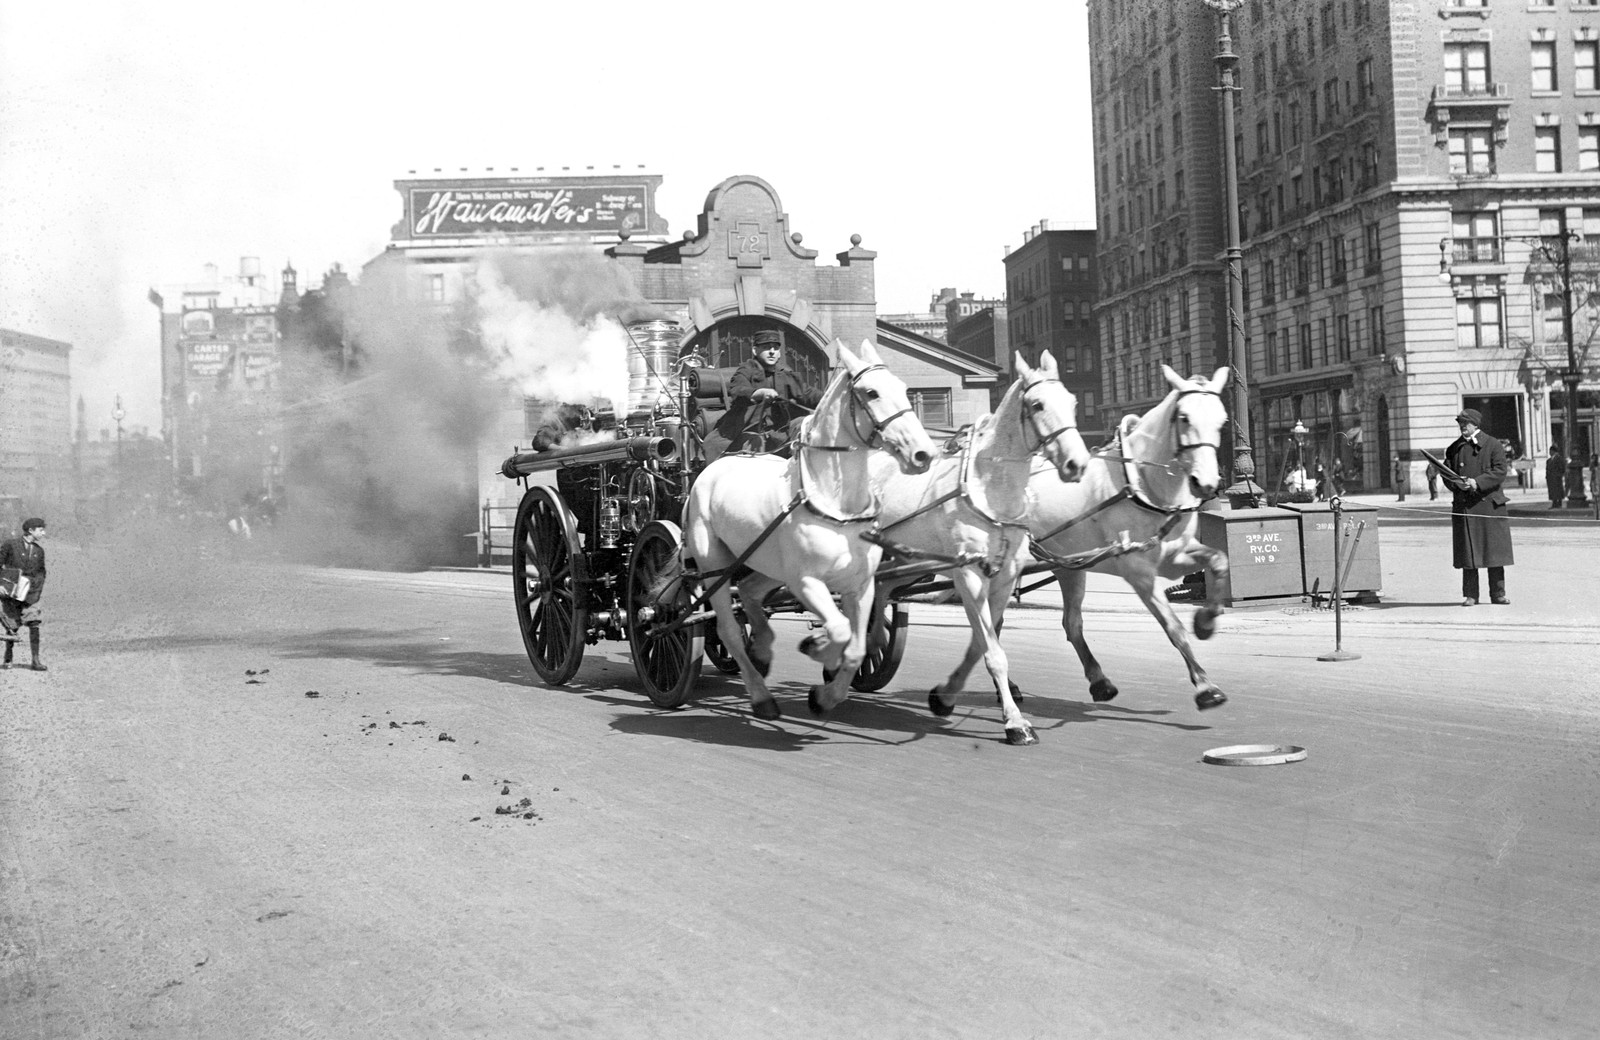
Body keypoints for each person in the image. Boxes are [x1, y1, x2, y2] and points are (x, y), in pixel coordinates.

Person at [1442, 409, 1513, 606]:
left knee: (1494, 553)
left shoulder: (1493, 444)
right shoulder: (1454, 448)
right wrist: (1456, 484)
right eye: (1460, 423)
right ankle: (1471, 595)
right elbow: (1447, 473)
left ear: (1475, 425)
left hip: (1490, 506)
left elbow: (1499, 471)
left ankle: (1498, 594)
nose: (1462, 427)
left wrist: (1476, 483)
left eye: (1466, 423)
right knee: (1469, 553)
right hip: (1465, 506)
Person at [715, 331, 822, 455]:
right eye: (766, 348)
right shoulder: (746, 370)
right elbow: (738, 390)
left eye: (775, 348)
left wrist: (830, 398)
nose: (772, 351)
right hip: (749, 433)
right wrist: (758, 393)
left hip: (779, 433)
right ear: (755, 351)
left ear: (779, 353)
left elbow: (807, 393)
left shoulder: (785, 373)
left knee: (804, 424)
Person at [0, 517, 48, 670]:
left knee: (34, 622)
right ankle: (8, 657)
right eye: (41, 530)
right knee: (12, 626)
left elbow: (41, 573)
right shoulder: (10, 545)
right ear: (30, 530)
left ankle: (36, 660)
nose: (43, 533)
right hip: (11, 592)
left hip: (31, 594)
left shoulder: (39, 551)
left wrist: (36, 590)